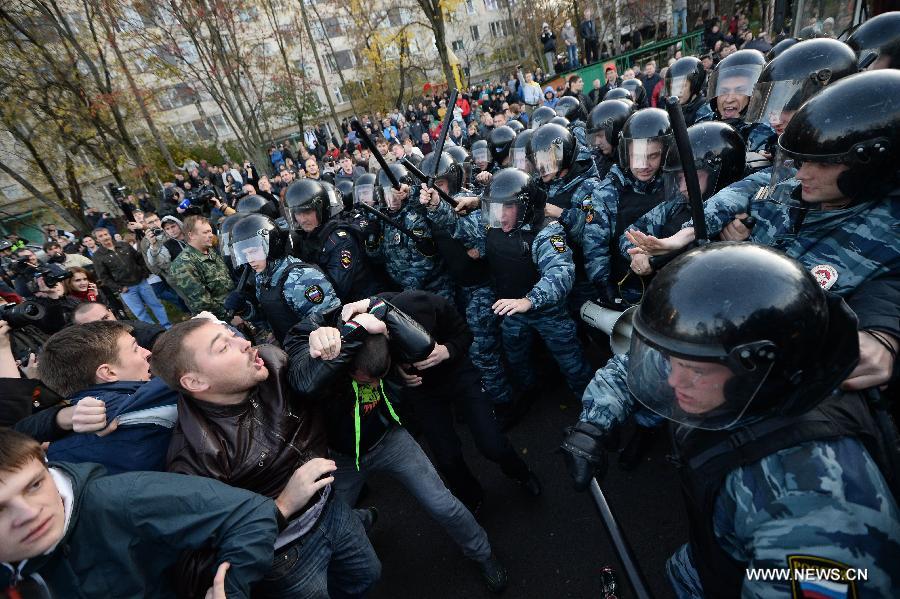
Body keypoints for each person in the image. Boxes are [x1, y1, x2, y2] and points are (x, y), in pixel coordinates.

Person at [562, 243, 900, 597]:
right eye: (676, 361)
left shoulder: (821, 518)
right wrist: (594, 424)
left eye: (693, 371)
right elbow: (641, 364)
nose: (674, 380)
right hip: (716, 549)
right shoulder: (715, 359)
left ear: (758, 371)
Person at [284, 297, 509, 593]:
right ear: (348, 369)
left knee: (443, 505)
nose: (375, 386)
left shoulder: (383, 340)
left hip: (389, 441)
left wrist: (379, 307)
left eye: (381, 377)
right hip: (343, 459)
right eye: (368, 380)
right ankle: (362, 520)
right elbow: (301, 377)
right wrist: (334, 336)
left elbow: (422, 345)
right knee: (328, 521)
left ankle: (483, 553)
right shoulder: (324, 368)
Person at [152, 317, 381, 598]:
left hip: (331, 508)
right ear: (195, 381)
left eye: (231, 333)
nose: (245, 343)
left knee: (367, 576)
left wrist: (319, 336)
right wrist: (280, 506)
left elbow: (313, 370)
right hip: (285, 557)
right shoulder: (195, 458)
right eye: (224, 347)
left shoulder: (271, 362)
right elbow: (199, 562)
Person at [0, 428, 279, 598]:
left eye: (35, 485)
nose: (29, 512)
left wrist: (229, 591)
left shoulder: (120, 498)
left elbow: (250, 513)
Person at [423, 168, 594, 406]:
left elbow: (561, 273)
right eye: (496, 208)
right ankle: (531, 395)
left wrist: (529, 300)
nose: (501, 216)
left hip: (548, 313)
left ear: (524, 206)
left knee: (573, 364)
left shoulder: (547, 232)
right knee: (517, 360)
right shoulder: (493, 227)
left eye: (508, 208)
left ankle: (590, 410)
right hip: (513, 312)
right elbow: (458, 228)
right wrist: (436, 206)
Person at [35, 321, 178, 473]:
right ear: (108, 373)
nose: (147, 352)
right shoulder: (133, 407)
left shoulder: (62, 453)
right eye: (135, 349)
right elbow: (193, 370)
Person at [587, 108, 672, 305]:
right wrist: (602, 285)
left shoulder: (676, 184)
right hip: (628, 289)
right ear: (626, 153)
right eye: (637, 156)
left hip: (670, 281)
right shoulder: (607, 192)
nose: (644, 165)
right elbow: (595, 246)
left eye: (653, 156)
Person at [226, 214, 339, 345]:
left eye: (253, 251)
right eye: (245, 254)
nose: (250, 259)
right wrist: (245, 309)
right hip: (291, 348)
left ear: (271, 246)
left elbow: (330, 325)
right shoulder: (263, 276)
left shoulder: (302, 278)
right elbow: (273, 316)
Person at [283, 179, 380, 304]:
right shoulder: (306, 236)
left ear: (321, 209)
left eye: (307, 212)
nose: (302, 219)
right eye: (297, 213)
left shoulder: (340, 240)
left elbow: (336, 289)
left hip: (363, 302)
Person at [91, 227, 171, 328]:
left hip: (142, 282)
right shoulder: (97, 256)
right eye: (101, 236)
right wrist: (119, 288)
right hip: (126, 289)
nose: (105, 237)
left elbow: (138, 258)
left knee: (156, 305)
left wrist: (144, 273)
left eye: (106, 234)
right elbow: (104, 277)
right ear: (97, 240)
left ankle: (167, 326)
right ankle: (155, 331)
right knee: (140, 312)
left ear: (109, 234)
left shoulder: (123, 245)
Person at [169, 215, 236, 322]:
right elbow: (201, 303)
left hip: (236, 309)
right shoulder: (183, 264)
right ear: (191, 235)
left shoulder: (209, 250)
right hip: (221, 321)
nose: (211, 235)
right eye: (205, 232)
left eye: (210, 231)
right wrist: (229, 316)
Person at [70, 301, 166, 350]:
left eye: (105, 318)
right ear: (82, 330)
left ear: (111, 312)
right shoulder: (86, 350)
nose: (105, 325)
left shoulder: (147, 334)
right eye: (95, 325)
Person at [663, 56, 713, 126]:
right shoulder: (672, 108)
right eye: (672, 87)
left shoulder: (704, 108)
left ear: (695, 85)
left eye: (681, 86)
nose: (675, 91)